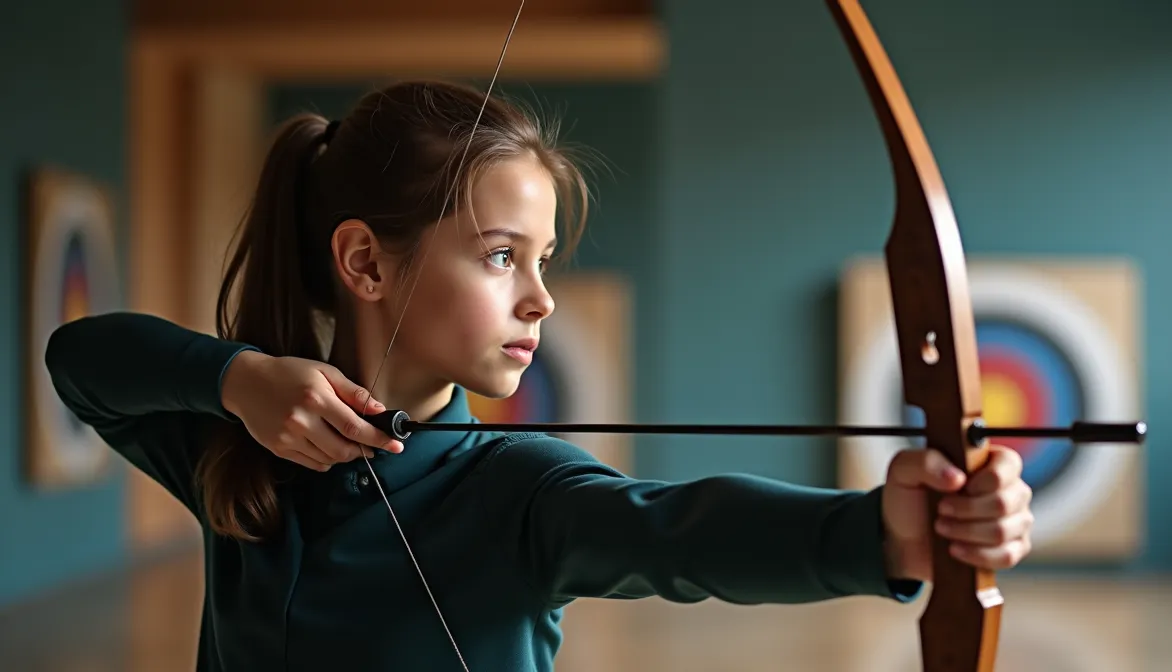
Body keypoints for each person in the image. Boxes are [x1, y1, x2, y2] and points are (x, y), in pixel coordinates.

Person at [44, 80, 1034, 671]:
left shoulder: (521, 490)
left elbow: (679, 530)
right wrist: (237, 379)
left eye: (544, 259)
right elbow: (80, 360)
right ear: (364, 263)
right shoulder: (244, 447)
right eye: (499, 255)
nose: (540, 299)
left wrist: (883, 534)